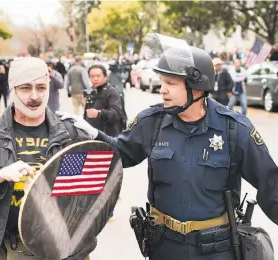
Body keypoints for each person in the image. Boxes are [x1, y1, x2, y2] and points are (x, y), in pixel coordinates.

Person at [58, 34, 278, 260]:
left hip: (216, 250)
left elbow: (271, 184)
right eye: (162, 82)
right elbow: (119, 153)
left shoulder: (234, 129)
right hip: (164, 247)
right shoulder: (151, 122)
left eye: (171, 83)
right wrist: (91, 133)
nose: (162, 89)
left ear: (198, 88)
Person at [0, 57, 95, 260]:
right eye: (25, 88)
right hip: (8, 247)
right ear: (13, 89)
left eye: (41, 87)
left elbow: (91, 192)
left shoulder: (71, 133)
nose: (35, 96)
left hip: (62, 248)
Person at [85, 64, 123, 137]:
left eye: (98, 76)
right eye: (92, 76)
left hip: (108, 136)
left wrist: (99, 113)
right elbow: (87, 113)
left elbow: (116, 114)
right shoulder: (91, 90)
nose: (95, 79)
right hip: (92, 134)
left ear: (105, 77)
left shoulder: (112, 91)